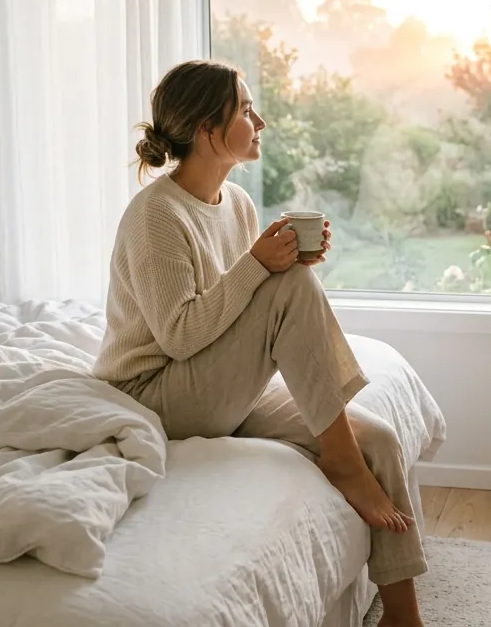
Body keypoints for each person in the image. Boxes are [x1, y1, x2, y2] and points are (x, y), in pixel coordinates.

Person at [93, 59, 425, 626]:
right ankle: (341, 462)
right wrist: (264, 270)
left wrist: (283, 266)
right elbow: (179, 336)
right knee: (291, 292)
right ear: (206, 130)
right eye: (246, 109)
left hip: (214, 381)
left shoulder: (238, 204)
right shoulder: (156, 217)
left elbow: (245, 305)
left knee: (381, 439)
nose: (260, 120)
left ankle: (402, 614)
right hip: (155, 392)